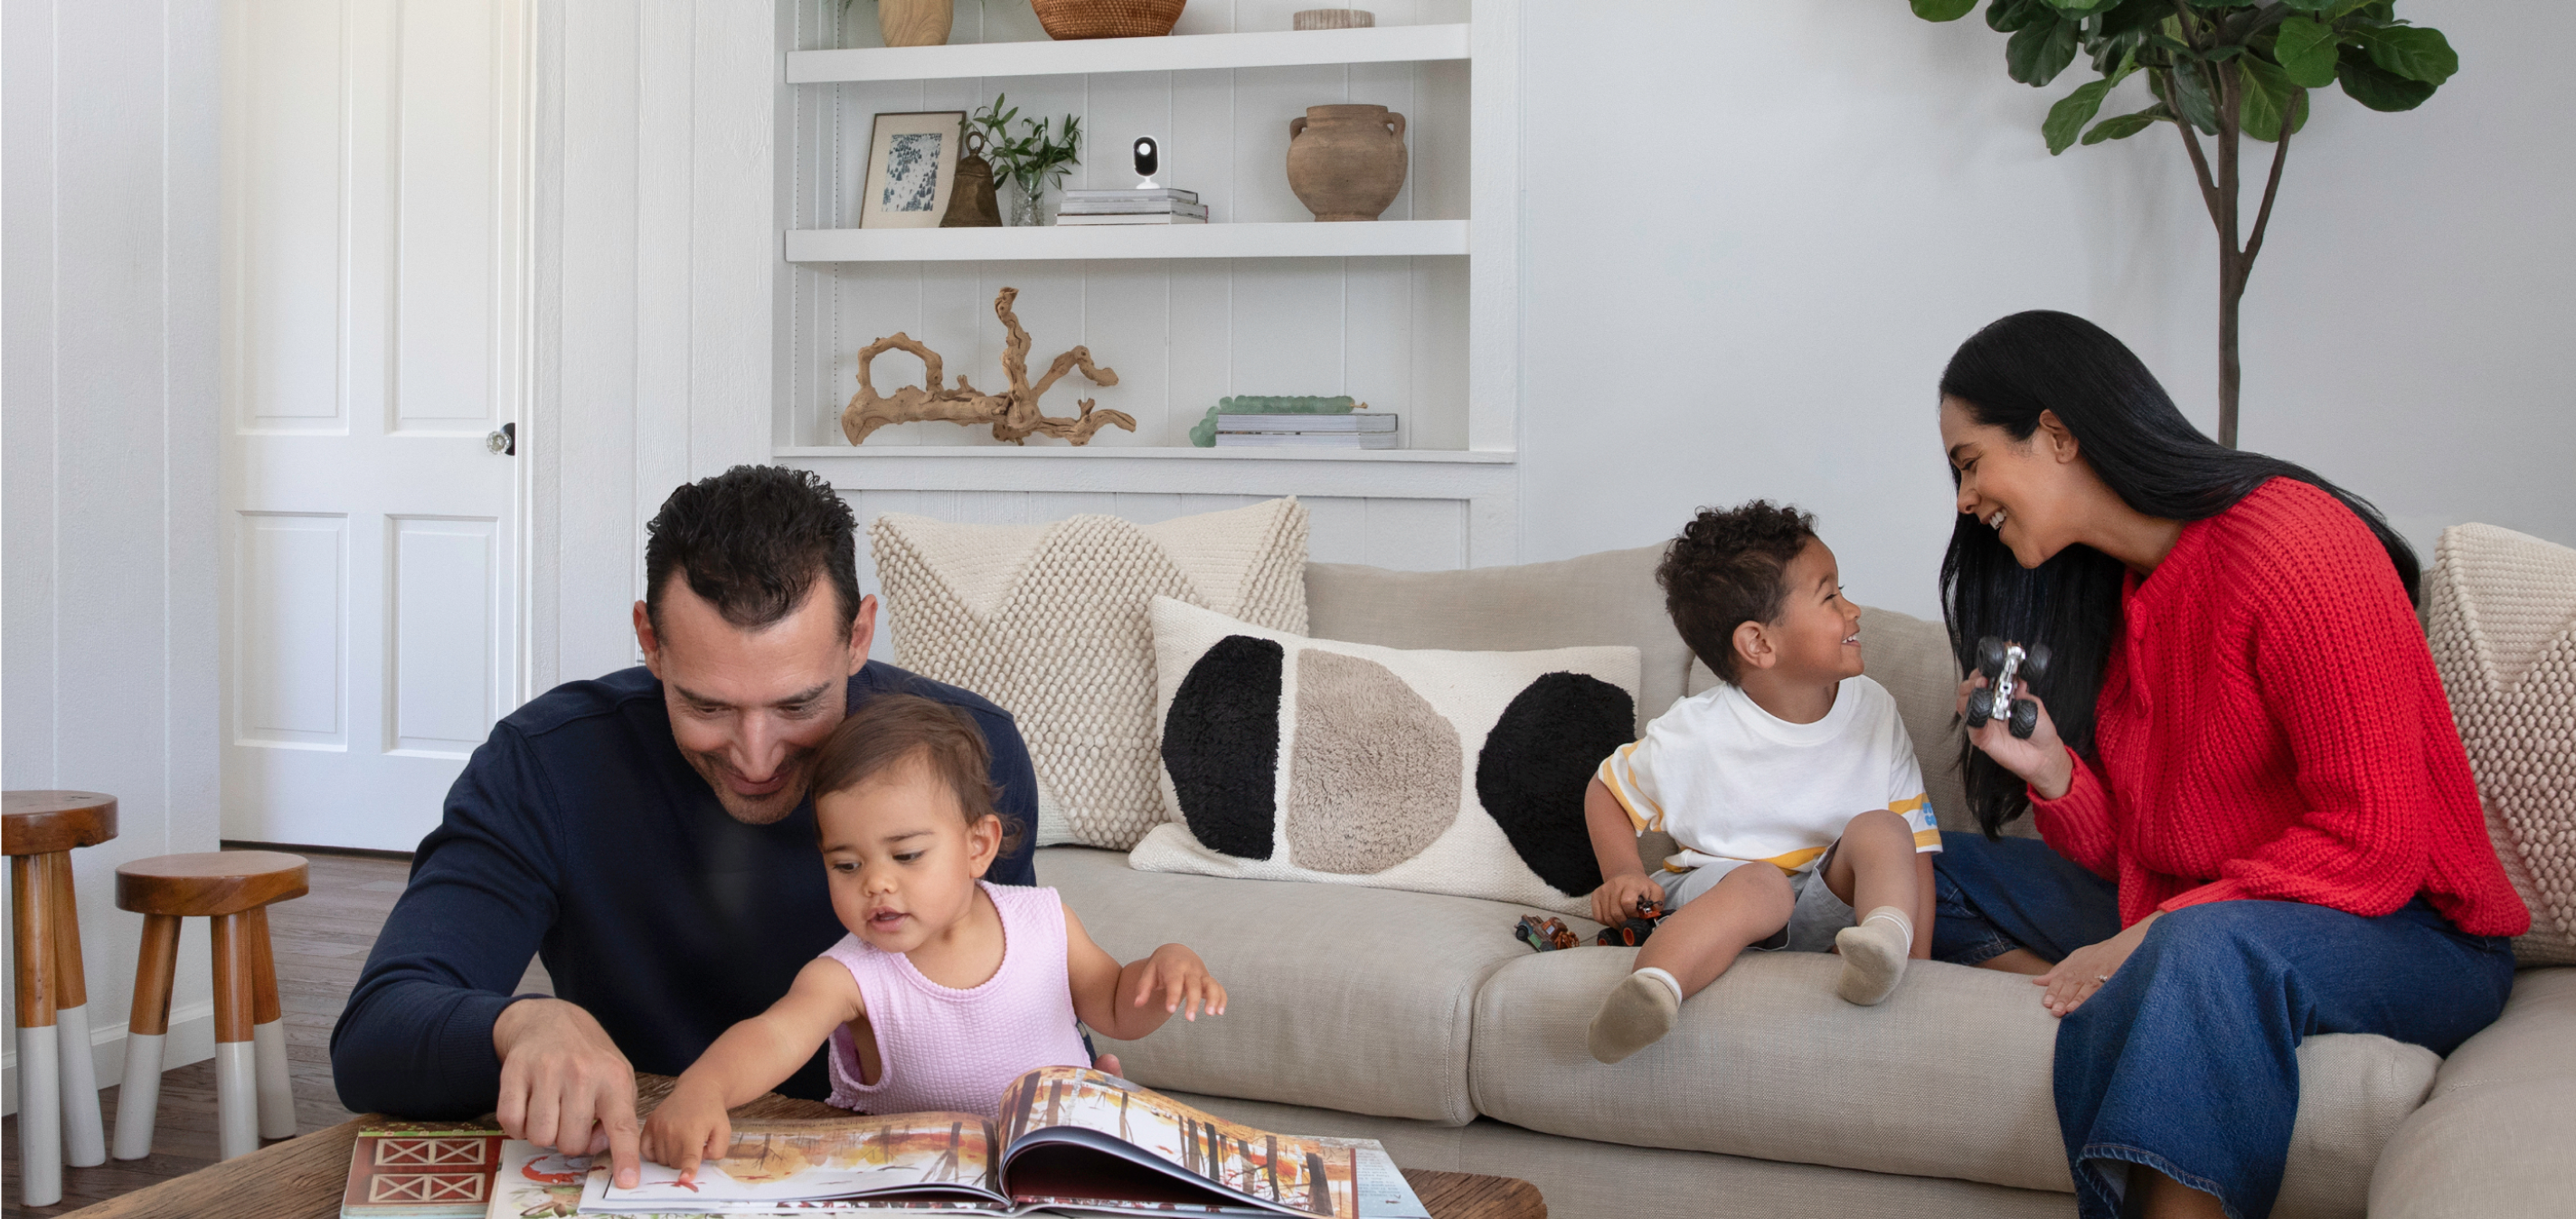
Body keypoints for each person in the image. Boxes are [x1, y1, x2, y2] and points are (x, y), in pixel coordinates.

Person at [1926, 311, 2527, 1219]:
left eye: (1968, 462)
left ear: (2054, 432)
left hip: (2413, 930)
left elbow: (2374, 844)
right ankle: (2130, 993)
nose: (1964, 500)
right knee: (1923, 860)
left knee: (2195, 945)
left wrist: (2155, 929)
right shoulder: (2125, 597)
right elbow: (2153, 853)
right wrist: (2051, 771)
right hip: (2223, 915)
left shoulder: (2293, 547)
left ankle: (2160, 992)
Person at [331, 466, 1042, 1189]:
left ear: (857, 638)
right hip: (657, 1172)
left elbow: (1012, 990)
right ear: (651, 641)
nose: (756, 757)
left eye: (797, 707)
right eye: (708, 708)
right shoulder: (546, 764)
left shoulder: (969, 751)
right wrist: (517, 1026)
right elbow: (375, 1036)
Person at [641, 695, 1224, 1182]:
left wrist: (1165, 968)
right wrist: (704, 1089)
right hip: (919, 1189)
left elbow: (1117, 1006)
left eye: (907, 855)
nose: (876, 883)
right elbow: (773, 1036)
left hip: (1057, 1167)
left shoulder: (1043, 922)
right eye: (846, 865)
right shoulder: (847, 977)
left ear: (978, 846)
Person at [1583, 501, 1942, 1064]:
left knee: (1885, 828)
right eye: (1830, 597)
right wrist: (1623, 873)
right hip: (1723, 897)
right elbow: (1606, 789)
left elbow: (1915, 850)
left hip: (1825, 909)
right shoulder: (1695, 732)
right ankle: (1649, 992)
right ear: (1760, 644)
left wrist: (1920, 968)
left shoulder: (1874, 708)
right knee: (1764, 887)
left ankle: (1882, 953)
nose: (1853, 610)